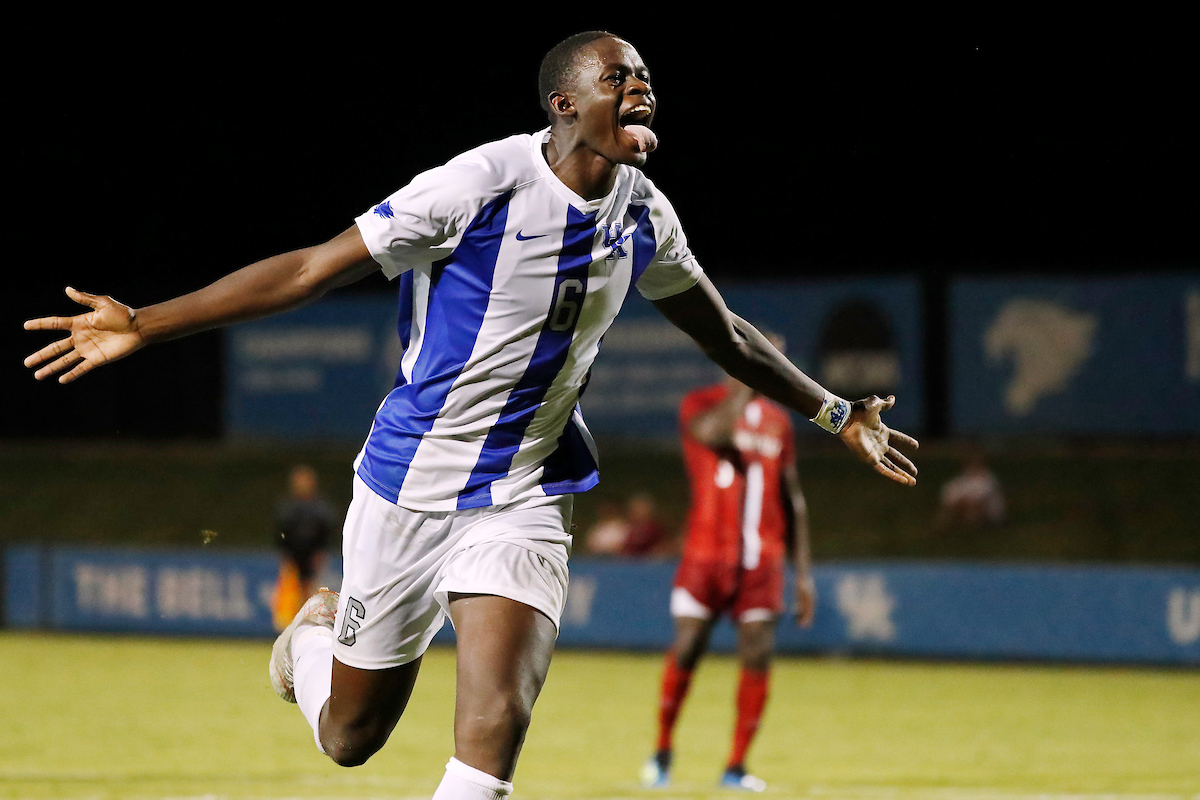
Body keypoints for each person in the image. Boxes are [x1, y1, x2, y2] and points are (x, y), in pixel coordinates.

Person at [23, 31, 918, 800]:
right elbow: (309, 270)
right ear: (565, 102)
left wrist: (836, 413)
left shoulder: (646, 217)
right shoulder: (481, 183)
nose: (641, 86)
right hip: (407, 484)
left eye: (645, 77)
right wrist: (144, 323)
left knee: (493, 729)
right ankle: (306, 644)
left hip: (524, 492)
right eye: (620, 75)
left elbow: (725, 333)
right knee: (349, 737)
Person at [640, 336, 814, 792]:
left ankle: (736, 765)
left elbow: (792, 498)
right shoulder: (700, 404)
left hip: (762, 561)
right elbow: (713, 435)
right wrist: (744, 382)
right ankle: (662, 749)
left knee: (757, 654)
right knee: (689, 646)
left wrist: (804, 574)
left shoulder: (778, 422)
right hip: (705, 556)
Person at [271, 464, 340, 629]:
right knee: (288, 596)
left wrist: (321, 555)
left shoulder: (320, 507)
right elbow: (280, 534)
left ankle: (308, 629)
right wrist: (284, 556)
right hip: (293, 558)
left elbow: (326, 533)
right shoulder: (288, 507)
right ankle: (287, 631)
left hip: (312, 558)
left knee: (310, 596)